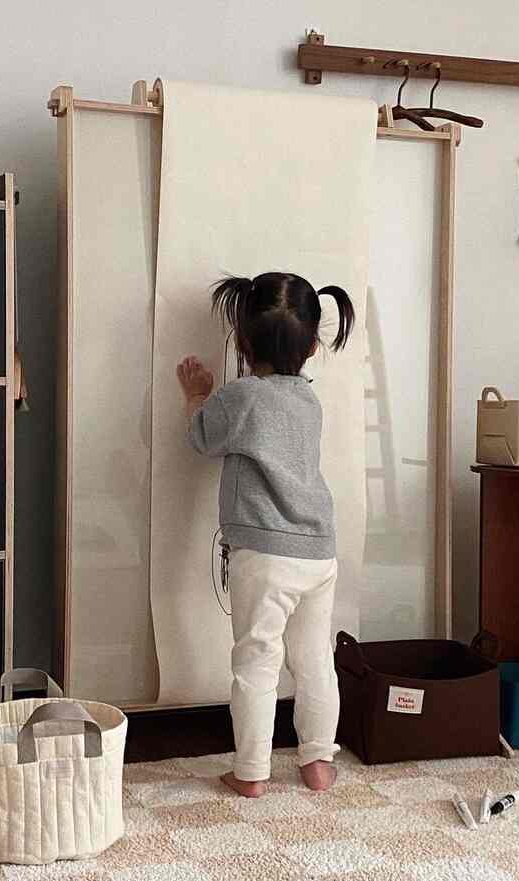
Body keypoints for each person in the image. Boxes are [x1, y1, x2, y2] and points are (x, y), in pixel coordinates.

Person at [176, 271, 354, 798]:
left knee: (257, 661)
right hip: (318, 550)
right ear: (314, 346)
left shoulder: (240, 397)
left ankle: (252, 771)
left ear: (242, 343)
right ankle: (318, 761)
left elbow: (202, 438)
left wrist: (197, 395)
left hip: (265, 552)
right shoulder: (309, 401)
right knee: (314, 659)